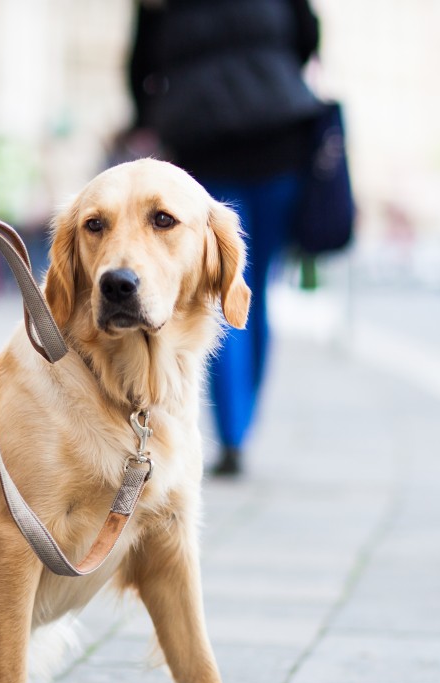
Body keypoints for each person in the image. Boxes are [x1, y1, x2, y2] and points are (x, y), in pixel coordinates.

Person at [129, 0, 322, 476]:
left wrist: (155, 115)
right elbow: (308, 36)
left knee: (218, 289)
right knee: (254, 284)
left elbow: (139, 67)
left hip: (203, 141)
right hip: (279, 138)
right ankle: (243, 423)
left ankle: (233, 430)